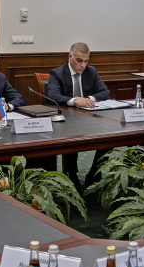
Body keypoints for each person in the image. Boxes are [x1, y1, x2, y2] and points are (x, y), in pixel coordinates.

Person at [47, 43, 111, 192]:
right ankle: (72, 175)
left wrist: (88, 99)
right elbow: (52, 96)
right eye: (79, 60)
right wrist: (75, 100)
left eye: (86, 61)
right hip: (67, 119)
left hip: (88, 118)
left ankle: (94, 172)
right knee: (71, 136)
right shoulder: (57, 73)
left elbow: (105, 92)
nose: (83, 65)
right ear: (70, 56)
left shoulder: (91, 71)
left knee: (110, 136)